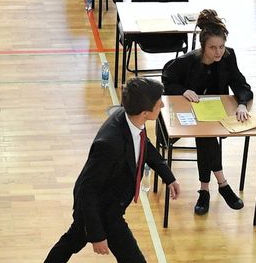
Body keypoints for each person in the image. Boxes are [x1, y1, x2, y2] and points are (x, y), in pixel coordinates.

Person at [45, 77, 180, 262]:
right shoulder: (109, 145)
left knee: (70, 242)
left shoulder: (130, 119)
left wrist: (168, 176)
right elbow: (88, 189)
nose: (162, 106)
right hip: (99, 209)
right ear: (145, 113)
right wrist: (97, 235)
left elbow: (143, 144)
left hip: (110, 203)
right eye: (158, 104)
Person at [161, 9, 249, 216]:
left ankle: (205, 190)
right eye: (213, 48)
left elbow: (240, 83)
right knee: (205, 136)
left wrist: (242, 103)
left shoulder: (228, 57)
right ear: (203, 46)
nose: (218, 52)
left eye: (221, 47)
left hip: (212, 113)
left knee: (206, 136)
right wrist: (183, 90)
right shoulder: (188, 61)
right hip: (187, 113)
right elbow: (166, 79)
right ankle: (222, 184)